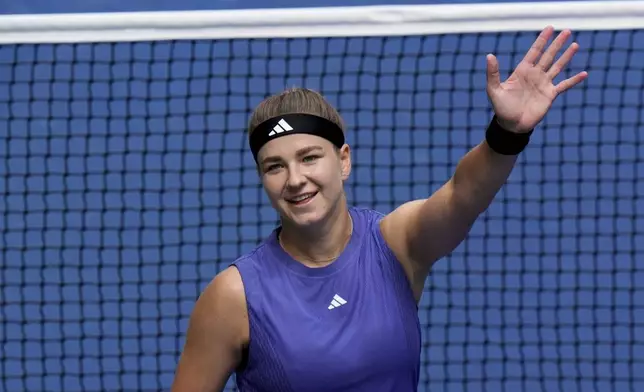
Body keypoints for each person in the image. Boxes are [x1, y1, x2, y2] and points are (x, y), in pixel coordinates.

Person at [171, 26, 587, 392]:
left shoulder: (397, 244)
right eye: (274, 167)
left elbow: (463, 195)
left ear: (344, 160)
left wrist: (506, 134)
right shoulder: (233, 296)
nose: (294, 179)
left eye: (309, 157)